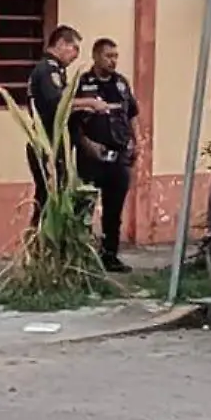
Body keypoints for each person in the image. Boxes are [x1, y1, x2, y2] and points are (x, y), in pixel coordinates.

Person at [25, 25, 109, 225]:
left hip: (54, 143)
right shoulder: (48, 70)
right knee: (48, 198)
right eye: (74, 49)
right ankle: (40, 245)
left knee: (53, 195)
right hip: (47, 144)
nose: (75, 56)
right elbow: (58, 102)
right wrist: (88, 102)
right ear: (61, 44)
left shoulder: (56, 70)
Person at [72, 38, 137, 274]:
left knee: (114, 210)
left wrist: (136, 141)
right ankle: (81, 256)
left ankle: (110, 256)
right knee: (84, 209)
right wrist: (87, 145)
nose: (113, 61)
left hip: (118, 156)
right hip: (91, 157)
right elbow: (73, 123)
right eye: (108, 56)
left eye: (115, 56)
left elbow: (132, 114)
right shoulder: (83, 84)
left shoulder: (121, 84)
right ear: (96, 56)